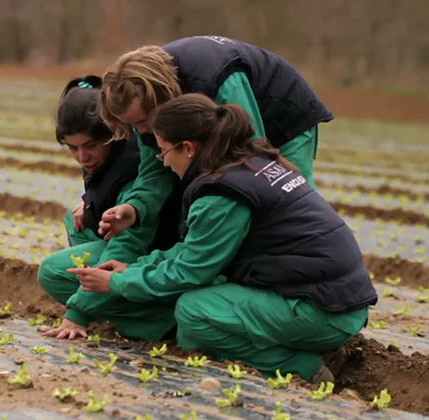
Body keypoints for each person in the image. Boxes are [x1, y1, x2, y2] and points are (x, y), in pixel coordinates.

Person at [69, 93, 377, 382]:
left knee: (194, 313)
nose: (162, 161)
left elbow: (190, 271)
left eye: (163, 151)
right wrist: (132, 270)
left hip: (323, 310)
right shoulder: (250, 162)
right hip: (335, 300)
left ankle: (300, 366)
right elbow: (193, 251)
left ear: (188, 148)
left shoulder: (222, 193)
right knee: (198, 316)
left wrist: (117, 284)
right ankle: (303, 347)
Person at [97, 35, 332, 239]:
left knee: (285, 199)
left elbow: (251, 153)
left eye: (143, 121)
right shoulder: (145, 113)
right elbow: (155, 169)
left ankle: (322, 261)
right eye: (133, 125)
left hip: (283, 118)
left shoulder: (215, 76)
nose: (143, 130)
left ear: (160, 98)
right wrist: (136, 206)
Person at [37, 75, 180, 342]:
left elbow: (130, 241)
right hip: (135, 244)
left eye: (90, 146)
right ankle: (114, 307)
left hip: (154, 249)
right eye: (72, 148)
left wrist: (76, 312)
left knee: (52, 272)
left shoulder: (135, 166)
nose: (82, 157)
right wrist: (88, 205)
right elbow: (104, 190)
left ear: (113, 134)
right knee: (75, 217)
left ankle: (158, 320)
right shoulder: (110, 156)